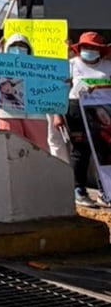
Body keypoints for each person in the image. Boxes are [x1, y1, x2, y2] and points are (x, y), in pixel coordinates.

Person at [53, 32, 111, 207]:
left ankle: (106, 191)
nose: (89, 50)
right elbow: (58, 90)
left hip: (103, 111)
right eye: (85, 47)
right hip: (76, 110)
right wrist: (57, 115)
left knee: (104, 151)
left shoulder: (108, 66)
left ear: (100, 50)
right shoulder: (71, 65)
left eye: (93, 47)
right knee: (80, 151)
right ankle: (79, 190)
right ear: (79, 48)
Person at [0, 34, 48, 151]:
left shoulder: (40, 69)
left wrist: (63, 84)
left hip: (35, 115)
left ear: (29, 49)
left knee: (40, 151)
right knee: (13, 151)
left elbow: (50, 90)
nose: (18, 49)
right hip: (8, 115)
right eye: (14, 45)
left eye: (22, 46)